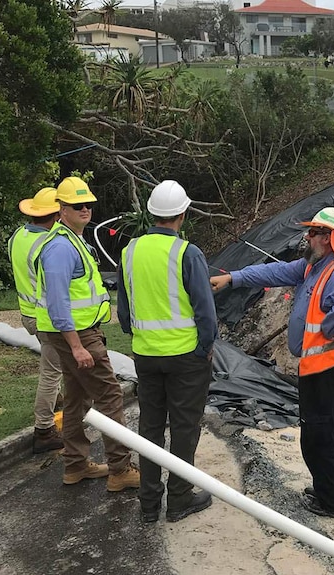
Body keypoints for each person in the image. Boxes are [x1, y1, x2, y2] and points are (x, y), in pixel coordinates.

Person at [209, 207, 334, 519]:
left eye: (317, 232)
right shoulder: (314, 267)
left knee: (319, 435)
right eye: (311, 230)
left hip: (327, 369)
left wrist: (331, 327)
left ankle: (332, 503)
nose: (310, 236)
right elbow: (273, 273)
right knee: (332, 431)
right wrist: (232, 278)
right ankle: (329, 489)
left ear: (332, 239)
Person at [117, 180, 217, 524]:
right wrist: (205, 348)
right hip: (186, 357)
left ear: (151, 214)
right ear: (183, 215)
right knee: (185, 428)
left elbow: (125, 311)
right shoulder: (187, 253)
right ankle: (179, 500)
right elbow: (205, 311)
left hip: (145, 356)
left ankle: (148, 504)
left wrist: (141, 338)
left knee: (150, 427)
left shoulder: (129, 251)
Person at [34, 176, 140, 492]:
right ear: (61, 209)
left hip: (79, 333)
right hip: (78, 336)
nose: (85, 210)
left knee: (77, 397)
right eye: (77, 205)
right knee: (110, 396)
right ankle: (120, 470)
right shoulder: (59, 248)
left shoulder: (73, 240)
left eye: (88, 204)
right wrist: (77, 345)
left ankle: (76, 466)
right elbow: (57, 301)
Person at [7, 187, 64, 453]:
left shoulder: (18, 236)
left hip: (27, 313)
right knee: (51, 372)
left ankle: (56, 401)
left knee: (55, 365)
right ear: (55, 215)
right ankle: (44, 429)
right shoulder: (48, 244)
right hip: (45, 317)